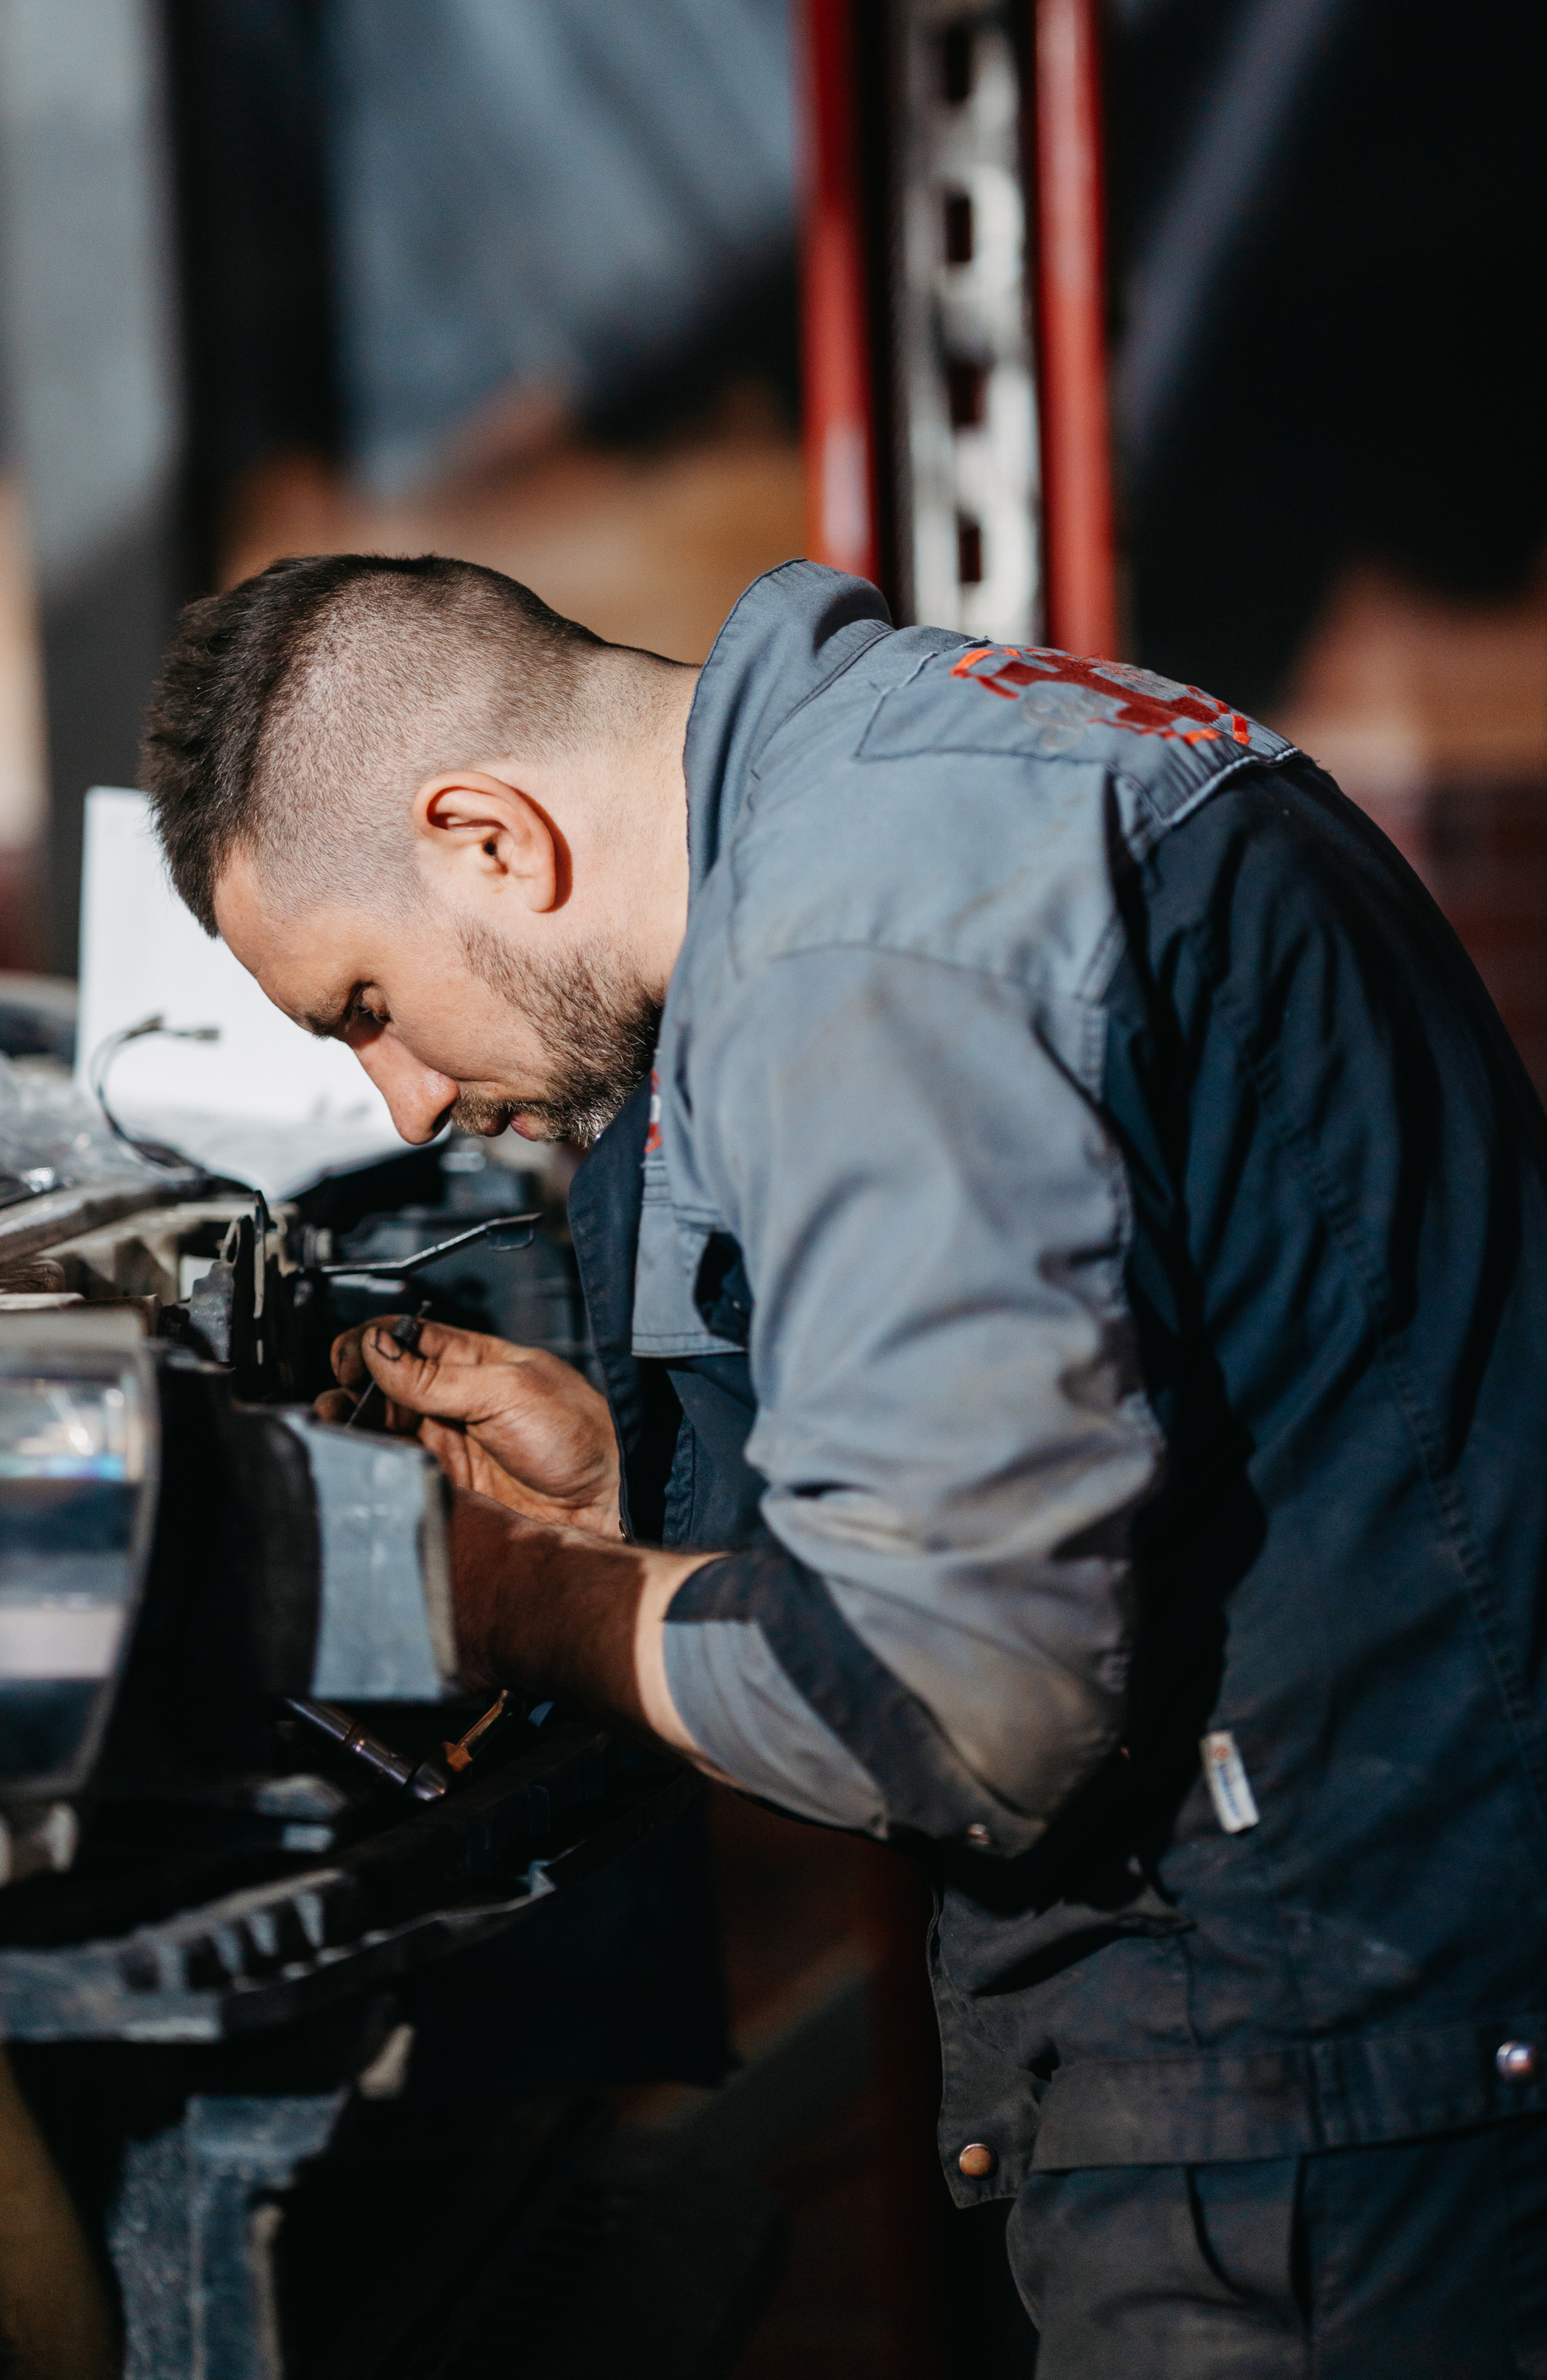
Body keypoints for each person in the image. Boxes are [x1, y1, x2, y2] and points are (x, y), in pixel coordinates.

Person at [143, 550, 1547, 2378]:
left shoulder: (849, 943)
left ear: (485, 836)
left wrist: (488, 1591)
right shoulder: (961, 771)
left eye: (358, 1006)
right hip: (1405, 2005)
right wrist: (627, 1523)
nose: (401, 1102)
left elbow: (950, 1701)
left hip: (1335, 2114)